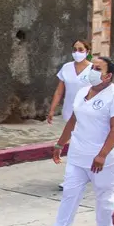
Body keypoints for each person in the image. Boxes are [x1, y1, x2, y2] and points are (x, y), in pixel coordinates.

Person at [42, 56, 114, 226]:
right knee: (69, 194)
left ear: (108, 76)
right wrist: (60, 144)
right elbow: (74, 119)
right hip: (78, 153)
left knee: (103, 196)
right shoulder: (83, 91)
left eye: (97, 69)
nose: (92, 71)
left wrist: (102, 154)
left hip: (104, 158)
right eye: (92, 67)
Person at [48, 40, 95, 190]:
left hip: (87, 113)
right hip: (70, 112)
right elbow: (59, 91)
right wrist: (52, 110)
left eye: (81, 49)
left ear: (87, 51)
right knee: (74, 143)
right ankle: (76, 176)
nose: (77, 52)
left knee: (80, 144)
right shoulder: (66, 68)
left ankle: (79, 176)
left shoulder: (93, 69)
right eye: (75, 49)